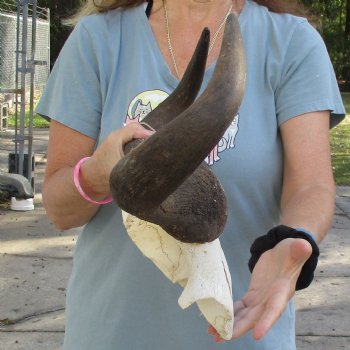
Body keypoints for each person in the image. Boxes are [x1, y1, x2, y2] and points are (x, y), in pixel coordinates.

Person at [36, 0, 346, 349]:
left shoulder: (291, 42)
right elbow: (60, 210)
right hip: (112, 333)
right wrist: (97, 173)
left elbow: (312, 185)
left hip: (242, 331)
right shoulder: (97, 39)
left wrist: (293, 237)